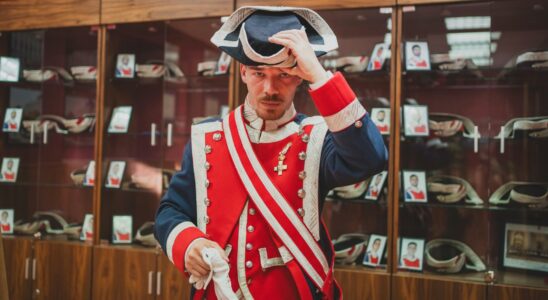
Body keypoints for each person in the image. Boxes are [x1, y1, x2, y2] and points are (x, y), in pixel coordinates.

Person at [155, 6, 387, 300]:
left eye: (284, 75)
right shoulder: (208, 137)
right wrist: (188, 244)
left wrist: (318, 73)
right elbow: (171, 211)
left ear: (300, 76)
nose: (270, 89)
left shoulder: (317, 137)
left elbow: (371, 158)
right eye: (258, 73)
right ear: (242, 71)